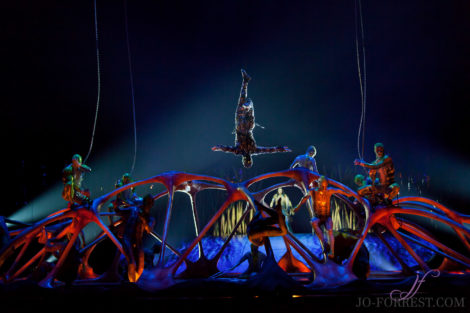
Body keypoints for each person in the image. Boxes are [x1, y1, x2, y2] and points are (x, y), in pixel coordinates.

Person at [212, 69, 291, 168]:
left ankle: (245, 82)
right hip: (245, 126)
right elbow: (268, 150)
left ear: (243, 159)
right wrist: (280, 149)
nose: (247, 158)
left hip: (243, 126)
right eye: (248, 160)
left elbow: (228, 149)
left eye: (246, 160)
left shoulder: (241, 151)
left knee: (243, 103)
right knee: (245, 104)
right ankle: (248, 101)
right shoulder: (251, 150)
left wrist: (220, 148)